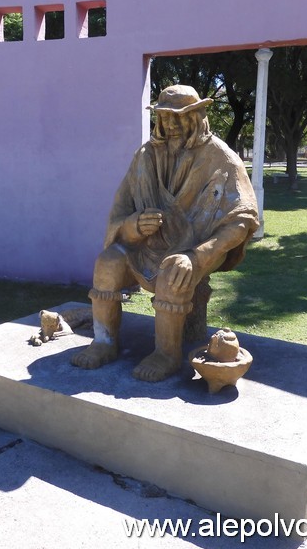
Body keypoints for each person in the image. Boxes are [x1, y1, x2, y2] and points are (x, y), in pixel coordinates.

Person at [71, 85, 259, 382]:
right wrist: (134, 225)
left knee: (175, 272)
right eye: (163, 117)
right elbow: (118, 212)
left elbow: (242, 220)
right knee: (106, 264)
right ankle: (104, 343)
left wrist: (196, 257)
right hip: (145, 245)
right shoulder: (145, 156)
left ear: (197, 116)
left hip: (198, 247)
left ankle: (166, 354)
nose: (169, 125)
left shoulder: (221, 158)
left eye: (179, 117)